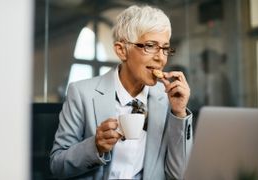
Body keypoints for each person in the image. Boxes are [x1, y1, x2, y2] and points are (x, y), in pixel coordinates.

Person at [50, 5, 193, 180]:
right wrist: (96, 146)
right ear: (121, 50)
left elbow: (180, 175)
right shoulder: (81, 93)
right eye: (150, 46)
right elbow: (57, 166)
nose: (161, 57)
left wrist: (179, 113)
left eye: (165, 48)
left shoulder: (166, 98)